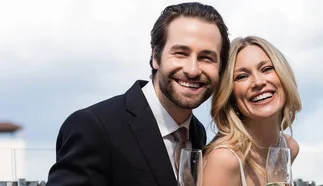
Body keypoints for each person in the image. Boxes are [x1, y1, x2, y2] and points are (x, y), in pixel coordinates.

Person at [46, 2, 230, 186]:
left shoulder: (197, 133)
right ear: (155, 57)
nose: (193, 70)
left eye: (206, 57)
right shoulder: (94, 127)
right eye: (181, 53)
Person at [202, 36, 302, 186]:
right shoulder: (224, 160)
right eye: (242, 76)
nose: (258, 82)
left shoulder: (288, 147)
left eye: (267, 69)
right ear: (230, 95)